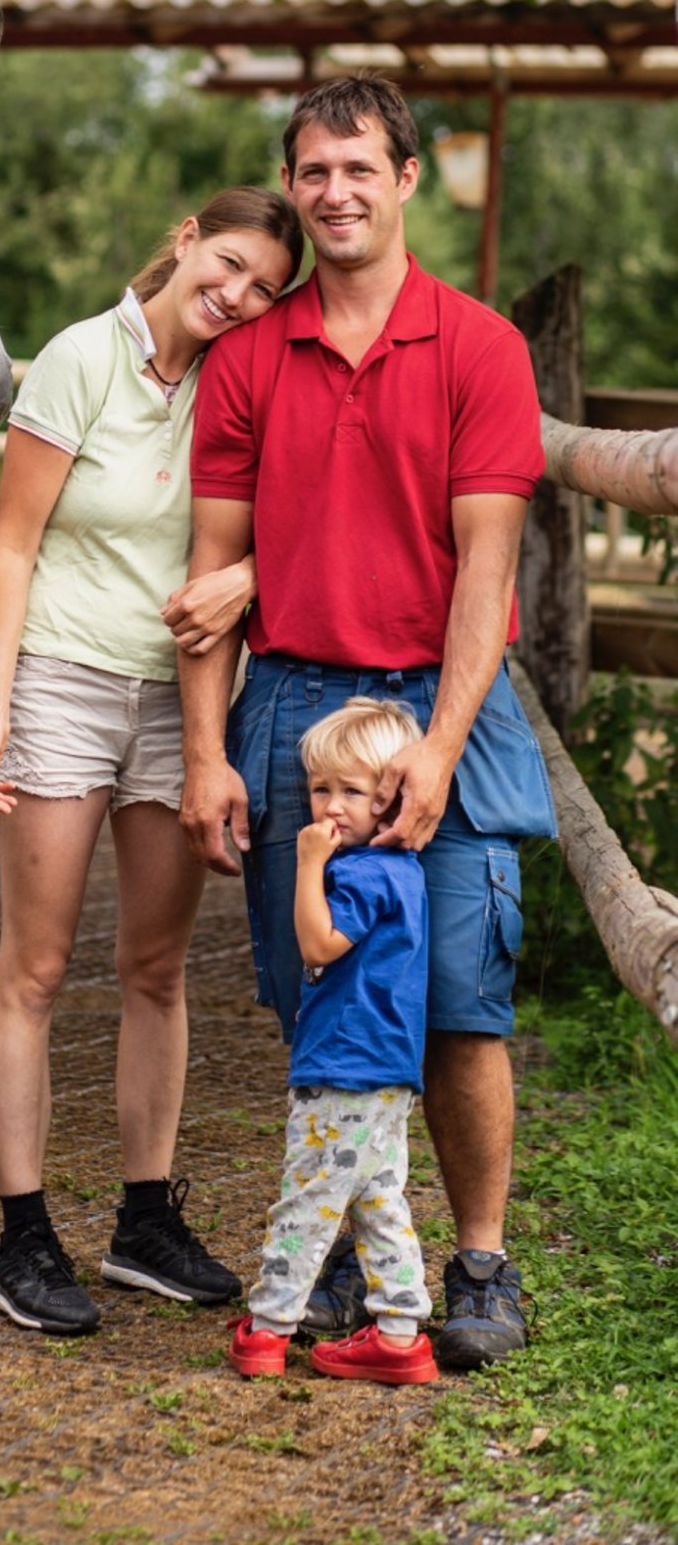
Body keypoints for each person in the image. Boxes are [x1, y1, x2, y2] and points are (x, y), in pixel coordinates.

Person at [178, 75, 558, 1372]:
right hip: (290, 697)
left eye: (358, 166)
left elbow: (484, 572)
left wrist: (441, 748)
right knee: (323, 987)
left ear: (405, 178)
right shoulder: (246, 357)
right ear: (295, 183)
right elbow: (207, 583)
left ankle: (482, 1263)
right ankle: (343, 1249)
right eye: (312, 170)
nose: (334, 190)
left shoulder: (479, 348)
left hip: (439, 696)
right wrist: (208, 750)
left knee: (461, 999)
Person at [0, 187, 304, 1336]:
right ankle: (20, 1238)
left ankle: (143, 1220)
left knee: (154, 967)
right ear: (184, 240)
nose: (239, 296)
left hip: (179, 695)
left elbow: (281, 527)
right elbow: (10, 547)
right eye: (230, 265)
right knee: (37, 966)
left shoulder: (240, 379)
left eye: (262, 287)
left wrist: (246, 580)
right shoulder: (77, 359)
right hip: (61, 673)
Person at [228, 698, 438, 1386]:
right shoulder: (402, 868)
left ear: (389, 798)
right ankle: (401, 1332)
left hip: (345, 1062)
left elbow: (318, 942)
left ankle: (267, 1328)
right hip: (386, 1065)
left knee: (307, 1197)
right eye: (322, 788)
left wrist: (307, 863)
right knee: (378, 1197)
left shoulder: (355, 873)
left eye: (353, 791)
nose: (332, 806)